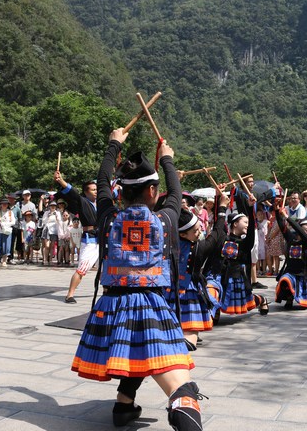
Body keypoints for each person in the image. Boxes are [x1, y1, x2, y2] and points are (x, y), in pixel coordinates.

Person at [72, 129, 203, 430]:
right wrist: (167, 160)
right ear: (153, 192)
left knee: (138, 353)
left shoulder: (107, 218)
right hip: (150, 304)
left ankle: (124, 405)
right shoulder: (166, 220)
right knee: (182, 388)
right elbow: (178, 193)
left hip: (112, 304)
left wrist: (113, 145)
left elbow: (102, 182)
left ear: (121, 193)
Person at [167, 190, 230, 349]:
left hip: (170, 290)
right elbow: (218, 234)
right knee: (191, 324)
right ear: (182, 234)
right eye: (195, 230)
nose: (200, 232)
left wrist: (217, 201)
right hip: (189, 290)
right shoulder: (200, 247)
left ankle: (182, 339)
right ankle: (185, 341)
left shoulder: (168, 244)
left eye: (199, 228)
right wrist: (221, 207)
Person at [54, 173, 99, 303]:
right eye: (93, 189)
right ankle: (70, 294)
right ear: (86, 192)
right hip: (90, 240)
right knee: (82, 269)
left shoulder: (100, 203)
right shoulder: (83, 201)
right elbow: (73, 192)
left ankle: (107, 292)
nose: (96, 192)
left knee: (105, 268)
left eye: (96, 189)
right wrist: (61, 181)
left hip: (102, 239)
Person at [41, 201, 62, 266]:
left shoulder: (57, 213)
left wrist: (56, 217)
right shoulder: (46, 213)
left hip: (54, 230)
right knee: (47, 246)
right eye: (51, 206)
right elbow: (43, 221)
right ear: (49, 206)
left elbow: (59, 221)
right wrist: (48, 216)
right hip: (47, 229)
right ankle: (45, 259)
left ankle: (50, 260)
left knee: (52, 246)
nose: (53, 207)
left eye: (54, 206)